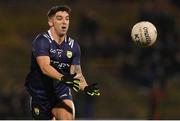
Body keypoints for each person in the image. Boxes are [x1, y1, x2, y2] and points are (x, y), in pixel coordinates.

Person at [24, 5, 100, 120]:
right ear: (51, 22)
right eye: (59, 18)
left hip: (61, 93)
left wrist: (85, 87)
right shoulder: (42, 41)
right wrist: (63, 77)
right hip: (40, 95)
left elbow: (77, 75)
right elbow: (45, 67)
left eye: (67, 18)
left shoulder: (74, 46)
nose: (64, 22)